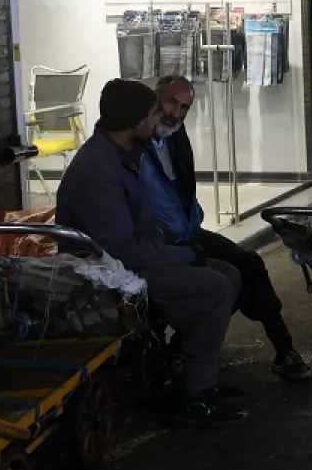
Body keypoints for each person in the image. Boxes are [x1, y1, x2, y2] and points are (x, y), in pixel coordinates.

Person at [56, 79, 246, 427]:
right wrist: (186, 256)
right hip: (108, 273)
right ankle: (198, 395)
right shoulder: (100, 169)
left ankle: (188, 371)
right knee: (214, 285)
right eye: (155, 111)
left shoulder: (124, 154)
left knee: (230, 273)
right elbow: (122, 251)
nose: (161, 118)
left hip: (130, 259)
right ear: (135, 119)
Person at [139, 76, 312, 381]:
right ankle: (182, 353)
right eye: (171, 102)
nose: (177, 113)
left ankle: (284, 350)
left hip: (186, 232)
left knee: (250, 264)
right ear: (155, 98)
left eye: (185, 107)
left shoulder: (176, 137)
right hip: (157, 243)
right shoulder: (135, 145)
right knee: (227, 280)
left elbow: (182, 191)